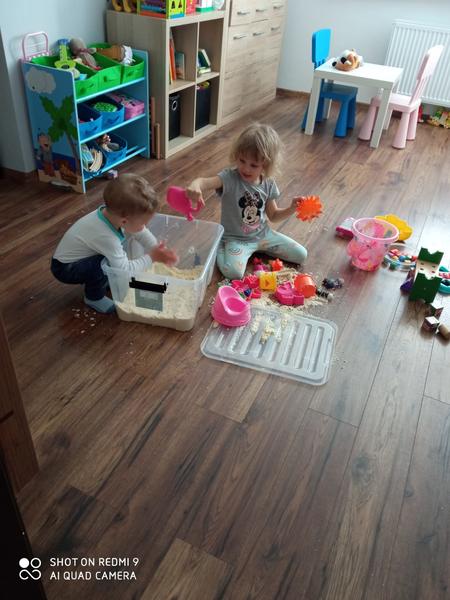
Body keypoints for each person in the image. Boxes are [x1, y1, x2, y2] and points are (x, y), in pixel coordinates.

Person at [186, 123, 307, 280]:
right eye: (242, 160)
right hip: (235, 239)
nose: (246, 169)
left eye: (254, 165)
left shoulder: (268, 183)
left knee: (301, 255)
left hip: (263, 236)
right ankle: (221, 245)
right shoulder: (229, 178)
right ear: (236, 155)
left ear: (266, 165)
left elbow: (274, 216)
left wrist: (291, 208)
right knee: (234, 273)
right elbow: (203, 182)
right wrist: (195, 185)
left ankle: (256, 249)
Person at [51, 173, 178, 314]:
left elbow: (141, 233)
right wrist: (152, 257)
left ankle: (105, 279)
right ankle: (94, 297)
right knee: (102, 264)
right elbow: (125, 269)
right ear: (124, 221)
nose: (144, 226)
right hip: (65, 268)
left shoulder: (113, 215)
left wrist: (156, 249)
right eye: (143, 223)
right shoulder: (105, 236)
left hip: (82, 258)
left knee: (115, 255)